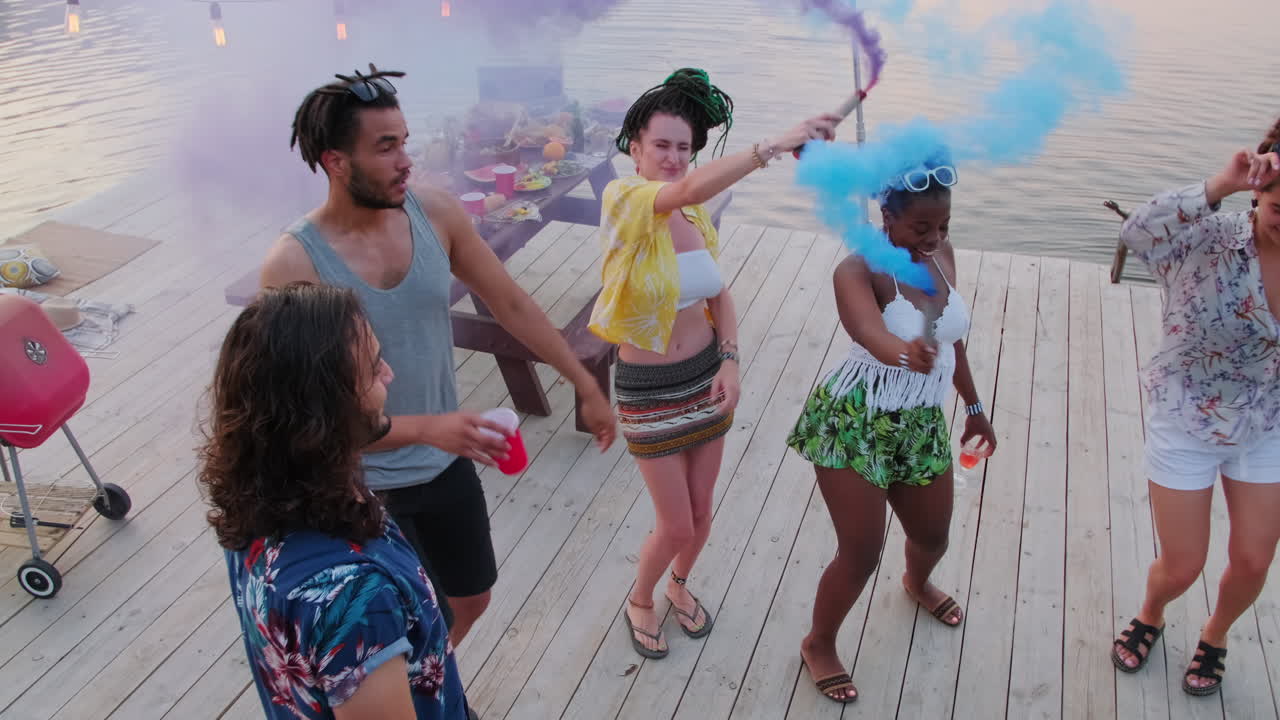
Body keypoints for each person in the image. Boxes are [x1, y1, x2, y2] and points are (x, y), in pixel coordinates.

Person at [259, 64, 617, 647]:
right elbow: (307, 420)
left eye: (404, 142)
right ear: (335, 162)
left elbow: (511, 303)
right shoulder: (294, 266)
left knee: (470, 599)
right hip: (358, 488)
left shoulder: (436, 214)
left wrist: (583, 382)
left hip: (443, 462)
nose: (406, 160)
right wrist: (433, 427)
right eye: (385, 148)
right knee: (404, 631)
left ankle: (429, 686)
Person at [588, 67, 841, 658]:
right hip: (648, 386)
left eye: (684, 147)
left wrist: (730, 362)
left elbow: (718, 294)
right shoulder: (626, 199)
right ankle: (641, 598)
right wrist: (775, 143)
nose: (674, 158)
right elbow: (686, 190)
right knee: (674, 524)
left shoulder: (695, 217)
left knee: (701, 514)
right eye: (661, 146)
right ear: (635, 149)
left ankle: (679, 584)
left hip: (704, 375)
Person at [201, 283, 473, 720]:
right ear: (325, 412)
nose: (389, 374)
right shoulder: (357, 601)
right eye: (371, 369)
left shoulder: (256, 504)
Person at [783, 148, 996, 703]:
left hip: (921, 420)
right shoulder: (857, 269)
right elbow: (867, 334)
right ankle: (819, 643)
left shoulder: (943, 253)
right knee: (861, 552)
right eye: (920, 225)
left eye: (943, 224)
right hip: (855, 419)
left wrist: (973, 407)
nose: (933, 236)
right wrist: (905, 353)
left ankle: (917, 582)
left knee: (933, 534)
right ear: (887, 217)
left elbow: (952, 337)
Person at [1110, 119, 1280, 697]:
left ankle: (1216, 633)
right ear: (1260, 191)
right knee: (1182, 566)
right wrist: (1220, 182)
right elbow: (1137, 230)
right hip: (1186, 414)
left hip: (1266, 420)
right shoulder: (1208, 238)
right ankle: (1153, 612)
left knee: (1254, 559)